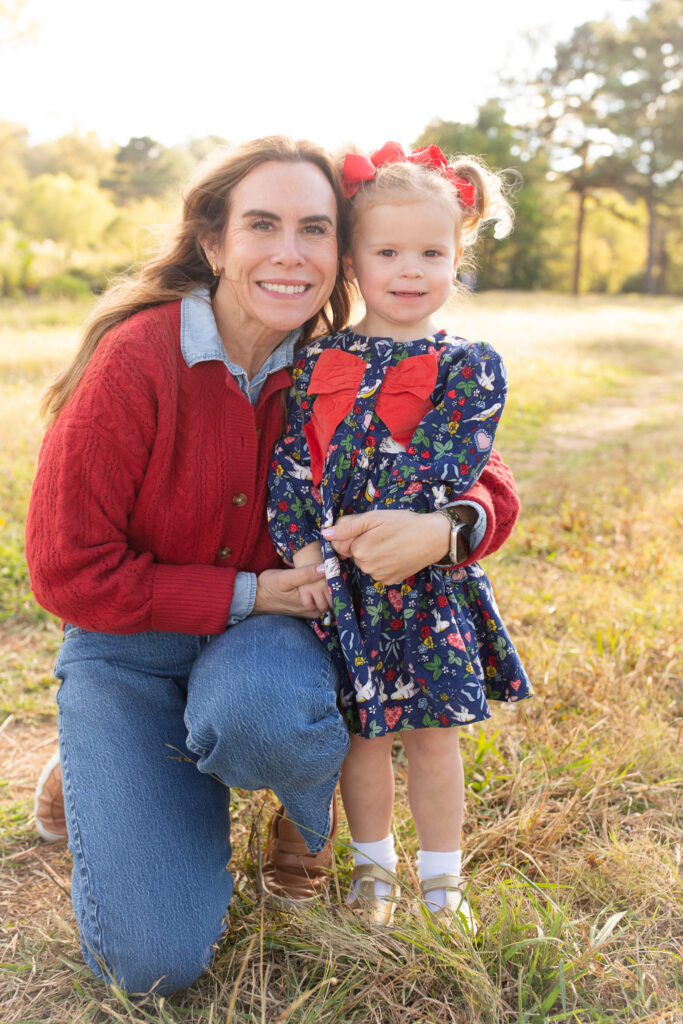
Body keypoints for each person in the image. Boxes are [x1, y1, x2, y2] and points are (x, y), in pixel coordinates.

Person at [26, 136, 522, 997]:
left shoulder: (341, 357)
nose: (290, 252)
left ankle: (302, 820)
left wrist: (446, 528)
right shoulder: (137, 361)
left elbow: (485, 476)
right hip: (133, 646)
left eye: (314, 229)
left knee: (270, 713)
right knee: (150, 966)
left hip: (263, 643)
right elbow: (67, 573)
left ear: (340, 255)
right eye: (262, 225)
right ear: (214, 242)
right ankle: (107, 762)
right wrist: (251, 588)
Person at [267, 142, 533, 931]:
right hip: (340, 587)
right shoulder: (315, 360)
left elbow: (451, 458)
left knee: (430, 738)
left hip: (422, 582)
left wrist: (408, 529)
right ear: (350, 262)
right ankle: (372, 872)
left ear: (458, 259)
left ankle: (444, 882)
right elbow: (291, 465)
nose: (410, 269)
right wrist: (303, 548)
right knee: (360, 739)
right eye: (388, 251)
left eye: (432, 252)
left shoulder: (469, 364)